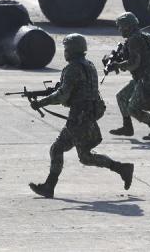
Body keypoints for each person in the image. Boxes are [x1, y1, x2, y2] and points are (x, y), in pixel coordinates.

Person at [28, 34, 135, 199]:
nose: (65, 52)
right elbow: (80, 89)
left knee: (57, 149)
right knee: (85, 156)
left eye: (66, 48)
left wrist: (41, 102)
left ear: (71, 49)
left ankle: (49, 186)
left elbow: (63, 95)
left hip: (79, 117)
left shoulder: (72, 68)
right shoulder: (89, 65)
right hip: (89, 115)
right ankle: (122, 168)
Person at [109, 12, 150, 141]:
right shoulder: (143, 36)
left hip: (146, 80)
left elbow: (134, 63)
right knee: (121, 97)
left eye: (121, 27)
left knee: (132, 108)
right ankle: (127, 127)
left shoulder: (135, 40)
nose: (120, 30)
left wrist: (117, 65)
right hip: (143, 78)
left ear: (128, 27)